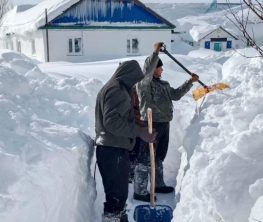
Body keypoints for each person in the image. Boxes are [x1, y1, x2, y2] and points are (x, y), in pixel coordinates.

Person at [133, 42, 199, 202]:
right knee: (145, 158)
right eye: (159, 67)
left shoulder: (164, 84)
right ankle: (140, 191)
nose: (162, 70)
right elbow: (147, 69)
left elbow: (176, 95)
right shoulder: (144, 83)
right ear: (154, 68)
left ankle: (158, 184)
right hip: (150, 124)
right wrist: (155, 53)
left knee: (159, 156)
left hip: (164, 124)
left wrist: (190, 82)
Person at [95, 60, 156, 222]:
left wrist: (140, 126)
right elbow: (112, 122)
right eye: (134, 80)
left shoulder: (114, 87)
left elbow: (119, 118)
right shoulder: (117, 90)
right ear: (128, 76)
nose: (135, 85)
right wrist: (139, 132)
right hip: (112, 150)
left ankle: (119, 218)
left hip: (112, 148)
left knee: (119, 196)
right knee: (116, 198)